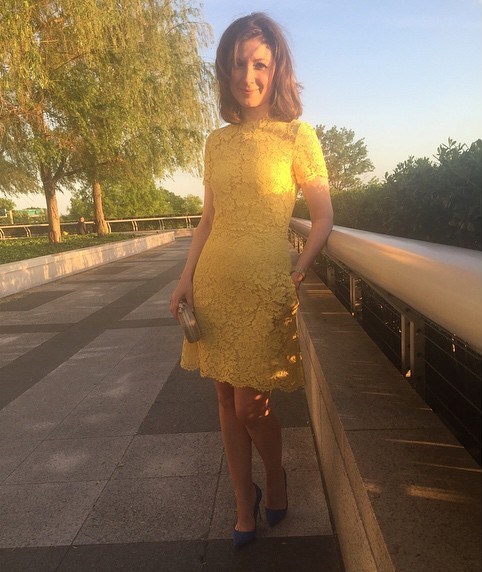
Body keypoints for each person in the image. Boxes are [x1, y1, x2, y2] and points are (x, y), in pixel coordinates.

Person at [169, 12, 333, 548]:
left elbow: (323, 217)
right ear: (226, 69)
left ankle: (276, 477)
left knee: (251, 407)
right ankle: (244, 504)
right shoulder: (216, 143)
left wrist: (298, 271)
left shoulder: (297, 136)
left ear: (276, 68)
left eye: (259, 63)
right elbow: (208, 220)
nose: (248, 75)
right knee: (224, 400)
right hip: (214, 283)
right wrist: (185, 279)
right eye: (239, 63)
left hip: (266, 287)